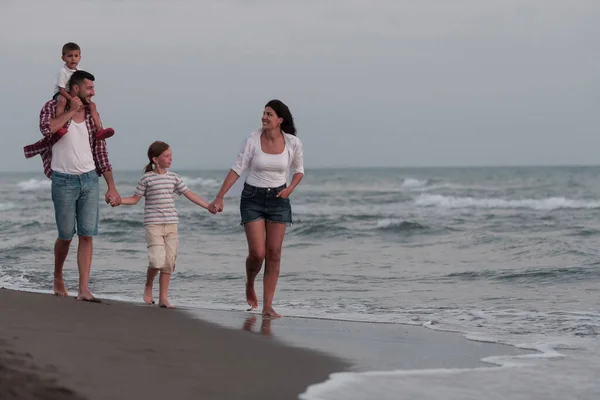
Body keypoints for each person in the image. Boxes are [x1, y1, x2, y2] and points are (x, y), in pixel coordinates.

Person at [23, 70, 121, 302]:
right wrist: (70, 111)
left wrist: (111, 186)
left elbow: (101, 149)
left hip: (89, 179)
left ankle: (83, 289)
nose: (93, 92)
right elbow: (48, 129)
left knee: (87, 235)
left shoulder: (92, 113)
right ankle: (58, 276)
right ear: (75, 89)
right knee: (66, 235)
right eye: (89, 88)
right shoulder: (52, 106)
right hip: (63, 180)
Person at [209, 99, 305, 318]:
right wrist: (219, 197)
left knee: (274, 253)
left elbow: (299, 171)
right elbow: (237, 168)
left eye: (269, 114)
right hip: (252, 198)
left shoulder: (293, 143)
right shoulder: (252, 139)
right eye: (263, 113)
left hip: (279, 199)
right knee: (257, 253)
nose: (264, 117)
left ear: (280, 119)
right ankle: (250, 281)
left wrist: (290, 188)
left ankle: (267, 306)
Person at [117, 141, 216, 309]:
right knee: (156, 261)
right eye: (166, 156)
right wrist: (119, 201)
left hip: (171, 225)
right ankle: (149, 285)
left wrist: (208, 206)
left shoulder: (174, 177)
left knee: (169, 262)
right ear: (155, 159)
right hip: (153, 225)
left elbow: (189, 194)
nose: (170, 158)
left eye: (171, 155)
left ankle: (163, 298)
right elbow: (135, 199)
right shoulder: (147, 178)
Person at [53, 42, 114, 140]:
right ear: (63, 58)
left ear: (80, 58)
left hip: (75, 95)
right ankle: (61, 126)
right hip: (63, 94)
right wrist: (72, 100)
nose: (73, 59)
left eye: (76, 56)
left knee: (92, 105)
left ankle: (100, 130)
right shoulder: (62, 72)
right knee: (62, 101)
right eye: (70, 56)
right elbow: (62, 90)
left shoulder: (80, 71)